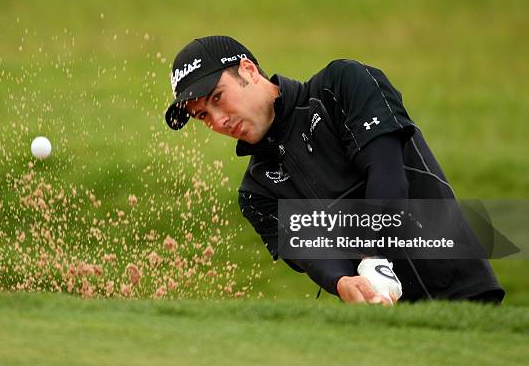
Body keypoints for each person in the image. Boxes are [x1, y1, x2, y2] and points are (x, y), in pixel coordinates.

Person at [165, 35, 504, 304]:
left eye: (217, 98)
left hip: (463, 293)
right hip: (389, 329)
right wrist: (345, 283)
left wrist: (371, 255)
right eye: (202, 116)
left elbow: (387, 177)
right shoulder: (257, 192)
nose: (218, 120)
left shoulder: (340, 86)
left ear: (249, 71)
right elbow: (317, 256)